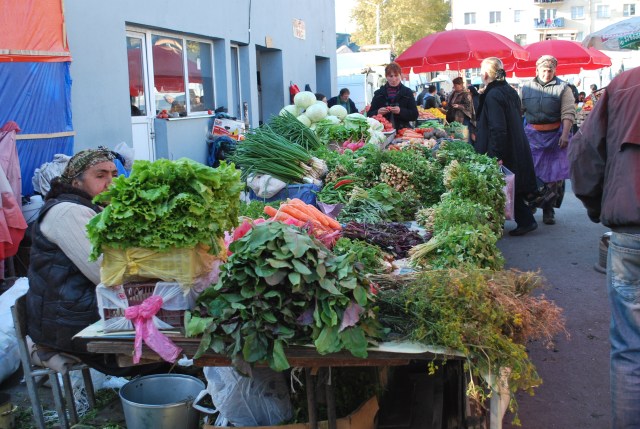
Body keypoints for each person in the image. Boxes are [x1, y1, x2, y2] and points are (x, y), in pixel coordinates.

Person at [25, 148, 162, 376]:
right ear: (76, 182)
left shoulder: (94, 208)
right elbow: (106, 274)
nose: (110, 182)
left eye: (114, 175)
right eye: (100, 176)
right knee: (169, 345)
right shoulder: (67, 212)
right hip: (70, 324)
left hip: (78, 310)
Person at [568, 67, 640, 429]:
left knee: (631, 350)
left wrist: (598, 207)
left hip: (631, 230)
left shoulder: (625, 85)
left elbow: (583, 154)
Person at [474, 57, 538, 236]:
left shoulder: (493, 95)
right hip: (515, 143)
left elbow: (497, 127)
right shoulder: (508, 91)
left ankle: (504, 224)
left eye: (481, 72)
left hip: (503, 146)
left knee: (500, 185)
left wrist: (495, 154)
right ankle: (524, 221)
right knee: (509, 186)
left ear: (486, 74)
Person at [520, 55, 575, 226]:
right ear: (537, 70)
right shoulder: (526, 87)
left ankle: (548, 210)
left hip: (555, 138)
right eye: (543, 70)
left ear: (555, 71)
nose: (546, 73)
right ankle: (531, 205)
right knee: (531, 173)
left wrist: (565, 135)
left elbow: (568, 112)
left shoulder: (563, 88)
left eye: (550, 70)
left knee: (553, 178)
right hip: (532, 136)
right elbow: (520, 111)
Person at [367, 62, 418, 130]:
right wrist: (378, 112)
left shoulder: (407, 92)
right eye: (391, 76)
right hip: (384, 132)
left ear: (400, 75)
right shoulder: (378, 94)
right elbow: (369, 115)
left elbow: (414, 115)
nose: (394, 79)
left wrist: (401, 111)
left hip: (403, 132)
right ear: (386, 76)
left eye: (396, 75)